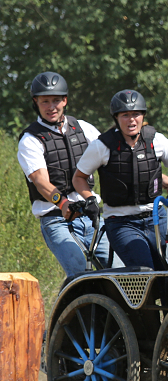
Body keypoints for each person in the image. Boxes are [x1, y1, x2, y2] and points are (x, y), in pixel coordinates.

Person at [17, 71, 119, 277]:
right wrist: (63, 203)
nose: (51, 107)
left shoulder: (83, 128)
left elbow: (112, 159)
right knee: (82, 275)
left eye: (56, 100)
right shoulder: (30, 139)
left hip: (91, 217)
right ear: (36, 102)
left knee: (121, 272)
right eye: (45, 101)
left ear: (65, 100)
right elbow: (40, 180)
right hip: (57, 219)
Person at [72, 90, 168, 271]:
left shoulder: (157, 140)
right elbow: (79, 177)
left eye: (136, 114)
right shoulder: (102, 146)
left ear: (143, 116)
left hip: (157, 218)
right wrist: (89, 198)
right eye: (125, 115)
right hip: (121, 222)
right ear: (116, 118)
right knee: (144, 270)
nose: (131, 120)